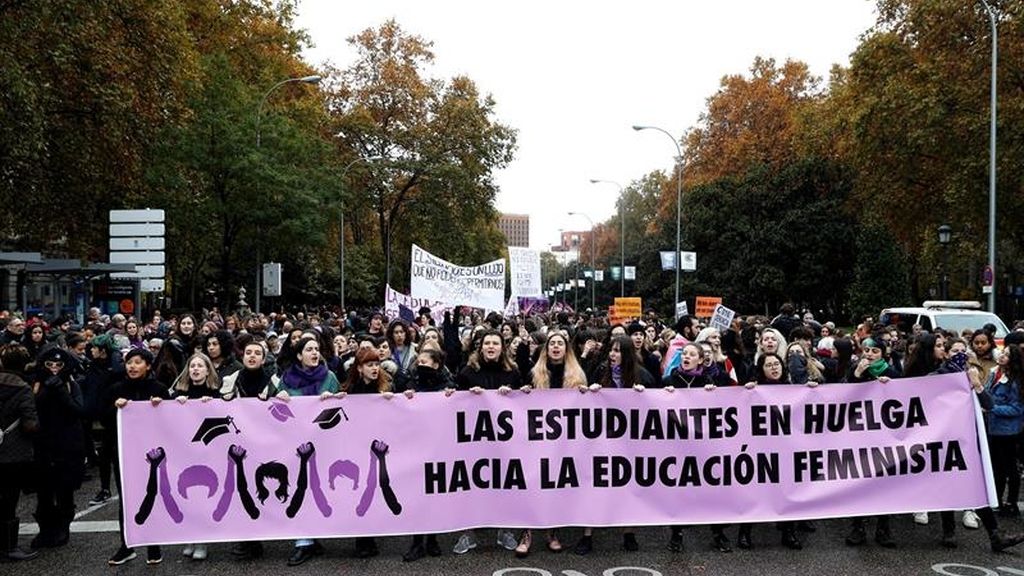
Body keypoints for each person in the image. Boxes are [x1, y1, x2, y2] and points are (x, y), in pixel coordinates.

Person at [574, 335, 649, 555]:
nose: (612, 355)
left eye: (617, 351)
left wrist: (643, 396)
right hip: (601, 442)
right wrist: (590, 392)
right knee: (594, 485)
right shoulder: (600, 371)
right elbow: (582, 396)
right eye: (611, 350)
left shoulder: (642, 376)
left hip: (630, 443)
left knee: (629, 486)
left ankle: (629, 533)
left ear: (626, 355)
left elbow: (660, 402)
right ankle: (587, 535)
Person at [450, 330, 521, 555]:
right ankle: (467, 532)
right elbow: (453, 403)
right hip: (473, 441)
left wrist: (517, 394)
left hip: (504, 442)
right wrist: (461, 395)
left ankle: (505, 530)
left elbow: (525, 403)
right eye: (487, 343)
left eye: (495, 343)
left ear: (502, 348)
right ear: (481, 348)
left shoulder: (514, 373)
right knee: (471, 485)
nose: (491, 347)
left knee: (505, 484)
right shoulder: (468, 372)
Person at [278, 335, 339, 566]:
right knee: (300, 487)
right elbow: (277, 412)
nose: (315, 353)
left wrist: (333, 399)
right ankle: (303, 542)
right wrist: (279, 398)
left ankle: (314, 537)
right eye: (309, 349)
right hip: (297, 445)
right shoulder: (286, 379)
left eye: (317, 349)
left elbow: (339, 409)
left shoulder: (330, 378)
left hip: (324, 443)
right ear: (299, 355)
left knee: (319, 489)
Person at [105, 348, 169, 566]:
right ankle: (127, 545)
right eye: (129, 362)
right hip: (123, 452)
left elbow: (171, 420)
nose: (132, 366)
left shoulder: (158, 388)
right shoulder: (116, 389)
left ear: (148, 366)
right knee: (127, 498)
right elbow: (99, 416)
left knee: (152, 493)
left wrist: (161, 405)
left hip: (152, 453)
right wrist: (115, 407)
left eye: (138, 362)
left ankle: (153, 544)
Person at [398, 348, 454, 562]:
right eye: (418, 361)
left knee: (434, 493)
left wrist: (451, 395)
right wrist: (406, 397)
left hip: (439, 447)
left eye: (424, 361)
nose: (420, 365)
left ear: (436, 365)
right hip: (415, 447)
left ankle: (432, 538)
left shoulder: (447, 385)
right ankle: (417, 542)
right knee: (417, 494)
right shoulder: (410, 383)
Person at [29, 347, 85, 550]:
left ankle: (63, 528)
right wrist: (45, 391)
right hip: (42, 444)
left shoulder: (71, 384)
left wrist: (60, 390)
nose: (54, 369)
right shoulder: (35, 383)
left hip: (67, 445)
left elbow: (78, 410)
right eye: (50, 365)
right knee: (43, 492)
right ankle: (45, 529)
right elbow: (31, 409)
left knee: (65, 490)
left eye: (58, 365)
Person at [341, 346, 393, 560]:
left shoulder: (386, 387)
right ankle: (363, 539)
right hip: (357, 446)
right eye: (369, 365)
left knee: (376, 486)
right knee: (362, 489)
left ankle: (371, 535)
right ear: (360, 368)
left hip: (379, 445)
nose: (374, 368)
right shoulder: (349, 389)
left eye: (376, 364)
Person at [0, 344, 39, 561]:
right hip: (13, 453)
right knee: (9, 499)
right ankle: (9, 547)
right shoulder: (23, 389)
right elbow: (30, 424)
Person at [984, 343, 1023, 518]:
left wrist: (992, 409)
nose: (1001, 356)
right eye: (1002, 352)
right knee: (997, 468)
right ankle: (997, 501)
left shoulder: (1015, 382)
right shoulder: (994, 373)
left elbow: (1016, 409)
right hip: (994, 429)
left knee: (1010, 468)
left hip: (1008, 431)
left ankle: (1011, 502)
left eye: (1006, 355)